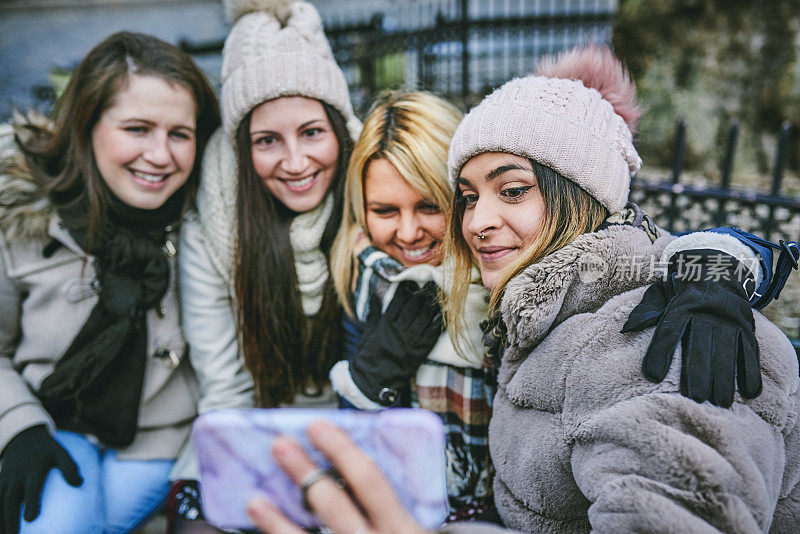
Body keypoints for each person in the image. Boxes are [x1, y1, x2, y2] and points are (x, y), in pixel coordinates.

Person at [247, 45, 800, 533]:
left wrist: (724, 260)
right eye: (468, 196)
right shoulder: (530, 310)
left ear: (583, 195)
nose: (477, 221)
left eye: (512, 191)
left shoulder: (644, 339)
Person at [0, 31, 220, 534]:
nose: (160, 155)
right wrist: (20, 430)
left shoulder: (206, 225)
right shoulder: (21, 221)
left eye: (179, 134)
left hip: (164, 442)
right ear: (87, 125)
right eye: (137, 128)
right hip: (54, 425)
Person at [172, 0, 361, 529]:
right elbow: (226, 390)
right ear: (240, 149)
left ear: (340, 132)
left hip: (357, 435)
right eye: (267, 140)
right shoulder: (211, 228)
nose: (296, 163)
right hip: (251, 429)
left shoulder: (382, 206)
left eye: (312, 132)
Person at [328, 91, 497, 518]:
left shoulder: (510, 282)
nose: (408, 233)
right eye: (385, 210)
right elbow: (356, 433)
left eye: (429, 206)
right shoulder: (363, 281)